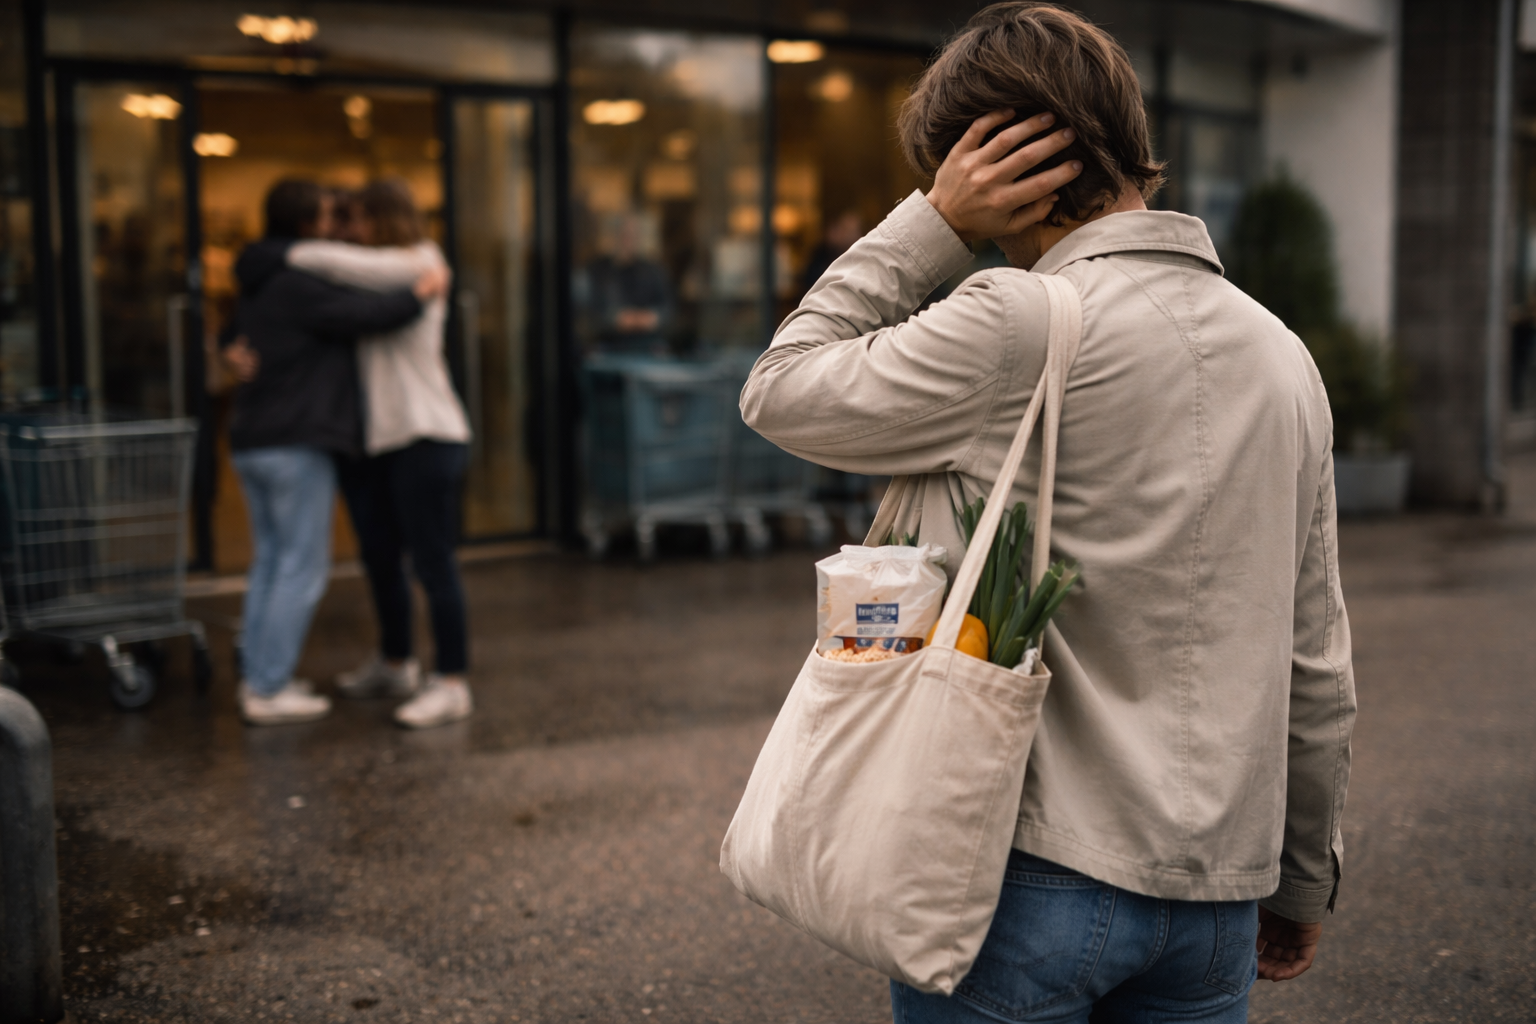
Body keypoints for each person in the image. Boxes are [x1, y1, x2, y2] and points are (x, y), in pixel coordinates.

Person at [739, 5, 1357, 1022]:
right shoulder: (1281, 353)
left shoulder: (1019, 321)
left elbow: (781, 386)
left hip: (1023, 876)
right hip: (1213, 902)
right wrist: (1298, 878)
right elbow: (1317, 655)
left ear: (992, 160)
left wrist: (933, 223)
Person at [224, 178, 446, 726]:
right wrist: (421, 291)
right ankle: (268, 689)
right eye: (326, 216)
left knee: (272, 563)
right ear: (304, 225)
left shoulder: (263, 276)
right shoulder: (299, 278)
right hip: (296, 440)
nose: (336, 227)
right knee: (300, 566)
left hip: (253, 438)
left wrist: (226, 345)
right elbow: (367, 315)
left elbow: (237, 326)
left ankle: (260, 676)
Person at [283, 179, 474, 729]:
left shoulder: (420, 261)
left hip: (427, 434)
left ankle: (452, 683)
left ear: (385, 219)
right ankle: (396, 663)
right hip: (383, 441)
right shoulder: (379, 277)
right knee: (381, 559)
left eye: (361, 220)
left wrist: (293, 248)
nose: (352, 232)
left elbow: (313, 258)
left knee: (434, 564)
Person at [574, 213, 672, 355]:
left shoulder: (654, 271)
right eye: (624, 235)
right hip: (608, 346)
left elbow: (668, 308)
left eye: (634, 235)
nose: (629, 240)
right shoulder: (597, 271)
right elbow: (587, 312)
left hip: (647, 346)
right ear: (614, 236)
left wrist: (651, 317)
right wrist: (615, 319)